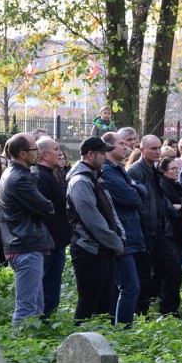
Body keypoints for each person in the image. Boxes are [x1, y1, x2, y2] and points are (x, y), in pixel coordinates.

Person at [0, 133, 55, 325]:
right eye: (35, 149)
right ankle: (17, 351)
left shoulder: (17, 173)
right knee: (26, 309)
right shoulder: (19, 179)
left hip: (23, 244)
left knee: (36, 306)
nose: (38, 153)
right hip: (24, 246)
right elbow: (46, 207)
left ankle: (30, 345)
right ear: (23, 154)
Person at [67, 136, 124, 323]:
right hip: (89, 248)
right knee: (88, 303)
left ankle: (102, 344)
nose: (105, 158)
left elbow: (110, 210)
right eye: (102, 153)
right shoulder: (81, 181)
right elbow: (92, 219)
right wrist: (115, 242)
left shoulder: (95, 177)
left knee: (105, 303)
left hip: (104, 248)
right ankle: (78, 346)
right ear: (90, 155)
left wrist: (119, 235)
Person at [127, 135, 182, 316]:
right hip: (143, 232)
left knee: (173, 268)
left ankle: (169, 311)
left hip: (160, 231)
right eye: (152, 148)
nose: (157, 151)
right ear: (142, 150)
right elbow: (135, 204)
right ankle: (139, 313)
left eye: (159, 148)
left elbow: (160, 201)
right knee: (142, 274)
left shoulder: (156, 171)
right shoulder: (135, 172)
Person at [101, 131, 145, 326]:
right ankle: (124, 331)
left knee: (121, 288)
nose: (126, 147)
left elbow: (140, 192)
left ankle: (115, 328)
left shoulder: (118, 170)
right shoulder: (107, 171)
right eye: (121, 143)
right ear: (109, 147)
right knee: (130, 287)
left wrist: (135, 188)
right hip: (121, 235)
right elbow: (133, 197)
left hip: (130, 233)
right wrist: (135, 188)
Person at [32, 136, 71, 318]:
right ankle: (45, 325)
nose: (60, 153)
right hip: (49, 245)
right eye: (56, 149)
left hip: (56, 243)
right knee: (48, 288)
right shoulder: (40, 177)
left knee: (52, 286)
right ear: (44, 154)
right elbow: (44, 213)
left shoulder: (49, 175)